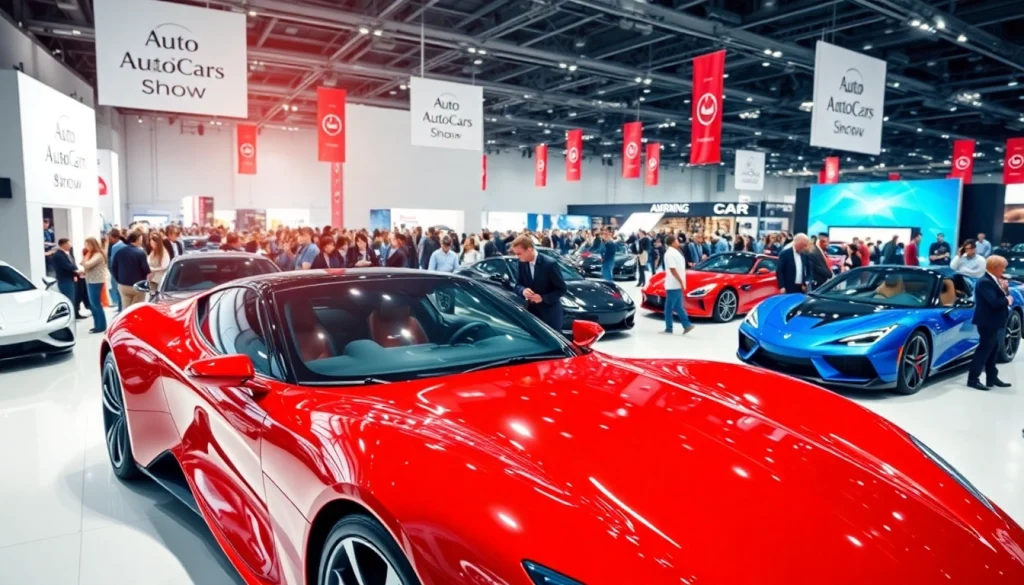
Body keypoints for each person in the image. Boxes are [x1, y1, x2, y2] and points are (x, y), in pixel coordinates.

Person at [967, 255, 1012, 391]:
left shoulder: (994, 280)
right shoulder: (985, 282)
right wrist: (1007, 300)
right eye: (1002, 268)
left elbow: (998, 296)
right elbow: (994, 302)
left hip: (994, 321)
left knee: (993, 349)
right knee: (984, 350)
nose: (1004, 270)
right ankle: (973, 379)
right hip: (987, 322)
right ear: (995, 267)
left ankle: (991, 377)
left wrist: (1005, 290)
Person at [511, 235, 567, 331]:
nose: (517, 257)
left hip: (550, 315)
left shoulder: (550, 264)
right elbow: (518, 285)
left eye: (519, 254)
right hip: (532, 314)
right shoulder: (522, 263)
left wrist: (542, 298)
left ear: (529, 250)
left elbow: (561, 289)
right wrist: (523, 290)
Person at [662, 234, 695, 335]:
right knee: (677, 306)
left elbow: (674, 269)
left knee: (669, 308)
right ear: (672, 243)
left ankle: (670, 328)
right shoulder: (670, 254)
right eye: (676, 240)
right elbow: (673, 269)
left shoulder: (674, 252)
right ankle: (686, 325)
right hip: (674, 283)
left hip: (674, 284)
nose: (678, 241)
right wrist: (681, 281)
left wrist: (681, 281)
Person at [111, 232, 151, 308]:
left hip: (123, 285)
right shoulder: (140, 253)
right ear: (137, 240)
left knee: (126, 308)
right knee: (137, 309)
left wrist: (118, 280)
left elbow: (113, 268)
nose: (141, 242)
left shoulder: (119, 252)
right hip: (138, 285)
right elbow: (145, 269)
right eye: (141, 240)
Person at [80, 237, 109, 333]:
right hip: (90, 280)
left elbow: (87, 264)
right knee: (93, 305)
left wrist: (84, 260)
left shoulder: (98, 255)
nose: (86, 247)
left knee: (96, 304)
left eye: (87, 245)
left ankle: (101, 326)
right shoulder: (91, 254)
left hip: (96, 281)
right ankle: (97, 325)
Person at [51, 238, 82, 315]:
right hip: (65, 279)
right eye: (68, 244)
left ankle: (75, 313)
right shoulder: (58, 255)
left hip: (70, 278)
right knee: (69, 298)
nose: (70, 245)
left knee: (74, 297)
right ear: (63, 244)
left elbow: (72, 263)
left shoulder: (68, 253)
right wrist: (76, 269)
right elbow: (66, 266)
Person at [107, 228, 126, 311]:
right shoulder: (113, 245)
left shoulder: (116, 247)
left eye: (110, 238)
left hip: (118, 272)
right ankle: (120, 307)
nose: (109, 240)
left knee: (119, 291)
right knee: (118, 291)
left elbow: (113, 262)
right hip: (117, 272)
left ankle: (121, 309)